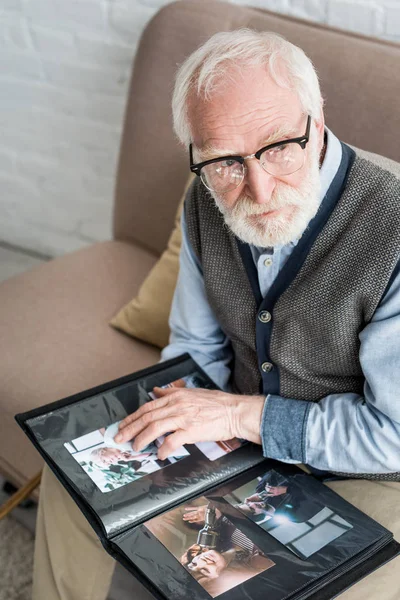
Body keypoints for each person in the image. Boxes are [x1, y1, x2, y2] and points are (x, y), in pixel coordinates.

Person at [33, 29, 400, 600]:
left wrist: (235, 418)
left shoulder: (394, 226)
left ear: (318, 119)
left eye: (279, 146)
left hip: (371, 474)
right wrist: (170, 432)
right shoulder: (204, 200)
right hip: (242, 439)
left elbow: (394, 436)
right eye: (225, 161)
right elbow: (194, 349)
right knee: (75, 490)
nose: (257, 187)